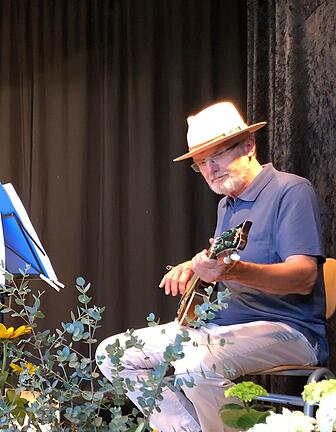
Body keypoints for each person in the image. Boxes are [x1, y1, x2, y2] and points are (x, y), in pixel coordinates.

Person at [96, 101, 328, 431]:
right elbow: (223, 258)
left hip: (291, 329)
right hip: (221, 329)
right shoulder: (226, 205)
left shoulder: (290, 191)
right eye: (201, 163)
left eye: (217, 155)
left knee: (196, 363)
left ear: (249, 145)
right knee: (112, 354)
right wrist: (194, 266)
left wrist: (234, 272)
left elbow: (304, 278)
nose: (210, 169)